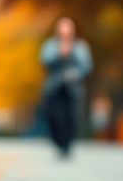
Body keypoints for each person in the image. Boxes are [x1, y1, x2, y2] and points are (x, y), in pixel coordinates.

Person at [39, 17, 92, 157]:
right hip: (53, 87)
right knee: (53, 116)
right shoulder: (50, 45)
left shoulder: (80, 46)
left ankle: (66, 145)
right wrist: (59, 53)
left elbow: (86, 66)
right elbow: (44, 61)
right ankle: (57, 141)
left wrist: (75, 74)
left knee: (70, 117)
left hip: (72, 88)